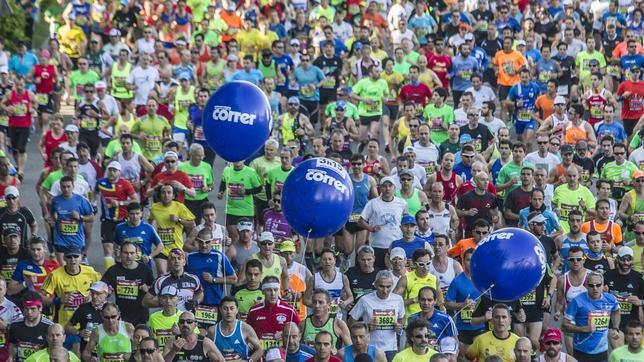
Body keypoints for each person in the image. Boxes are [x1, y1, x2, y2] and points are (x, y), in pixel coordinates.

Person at [562, 271, 621, 362]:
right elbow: (564, 326)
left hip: (602, 351)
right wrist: (583, 329)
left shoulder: (611, 299)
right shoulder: (577, 301)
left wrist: (615, 327)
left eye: (598, 285)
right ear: (586, 285)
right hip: (582, 350)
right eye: (591, 285)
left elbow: (616, 311)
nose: (595, 288)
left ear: (603, 285)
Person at [186, 227, 237, 329]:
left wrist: (214, 280)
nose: (204, 245)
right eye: (201, 242)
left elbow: (234, 278)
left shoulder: (219, 256)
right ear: (197, 241)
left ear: (212, 241)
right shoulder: (189, 257)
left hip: (214, 303)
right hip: (195, 303)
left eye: (207, 242)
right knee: (196, 333)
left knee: (212, 333)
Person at [349, 270, 404, 361]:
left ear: (392, 285)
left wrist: (399, 327)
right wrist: (366, 328)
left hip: (391, 348)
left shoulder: (398, 300)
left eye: (388, 287)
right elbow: (351, 321)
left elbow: (401, 318)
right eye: (381, 286)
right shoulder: (365, 300)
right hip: (370, 347)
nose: (385, 290)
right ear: (375, 284)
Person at [358, 176, 407, 268]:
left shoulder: (402, 203)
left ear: (394, 188)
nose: (387, 188)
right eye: (384, 186)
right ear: (380, 188)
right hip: (377, 245)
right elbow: (360, 221)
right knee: (377, 272)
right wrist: (371, 228)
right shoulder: (372, 203)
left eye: (390, 186)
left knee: (395, 272)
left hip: (395, 245)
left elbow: (405, 219)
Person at [101, 242, 155, 326]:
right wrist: (107, 292)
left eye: (131, 253)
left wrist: (147, 289)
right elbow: (102, 289)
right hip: (120, 317)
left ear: (136, 254)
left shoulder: (144, 269)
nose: (128, 256)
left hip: (141, 316)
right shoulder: (113, 271)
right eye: (126, 253)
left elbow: (155, 290)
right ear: (120, 253)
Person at [148, 184, 196, 275]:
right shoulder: (155, 207)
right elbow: (150, 221)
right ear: (160, 195)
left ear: (173, 195)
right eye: (163, 192)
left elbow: (192, 224)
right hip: (161, 247)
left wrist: (178, 220)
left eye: (169, 193)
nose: (166, 195)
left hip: (176, 247)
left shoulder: (180, 207)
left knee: (173, 274)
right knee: (162, 273)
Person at [247, 276, 300, 350]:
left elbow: (299, 331)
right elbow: (247, 333)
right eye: (269, 290)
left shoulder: (289, 310)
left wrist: (284, 333)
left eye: (275, 290)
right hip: (260, 353)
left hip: (282, 353)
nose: (273, 293)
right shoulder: (253, 311)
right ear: (262, 291)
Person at [210, 296, 263, 361]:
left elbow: (260, 349)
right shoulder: (212, 331)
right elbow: (206, 351)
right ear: (220, 310)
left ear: (237, 310)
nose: (228, 312)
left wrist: (249, 361)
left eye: (232, 308)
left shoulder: (246, 328)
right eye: (225, 308)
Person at [604, 246, 644, 333]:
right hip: (612, 324)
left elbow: (642, 301)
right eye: (623, 259)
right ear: (617, 259)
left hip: (632, 325)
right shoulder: (607, 275)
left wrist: (641, 302)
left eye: (629, 259)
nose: (626, 262)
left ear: (632, 260)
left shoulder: (638, 278)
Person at [114, 202, 164, 268]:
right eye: (132, 214)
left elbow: (160, 246)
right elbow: (116, 245)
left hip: (144, 266)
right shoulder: (119, 228)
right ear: (127, 214)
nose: (135, 217)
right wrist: (117, 254)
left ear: (141, 214)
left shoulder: (148, 228)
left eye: (137, 213)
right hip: (126, 267)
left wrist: (149, 257)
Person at [7, 292, 52, 362]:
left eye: (33, 309)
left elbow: (55, 350)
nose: (29, 312)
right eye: (26, 309)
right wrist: (11, 356)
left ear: (40, 308)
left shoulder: (50, 327)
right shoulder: (15, 325)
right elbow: (12, 344)